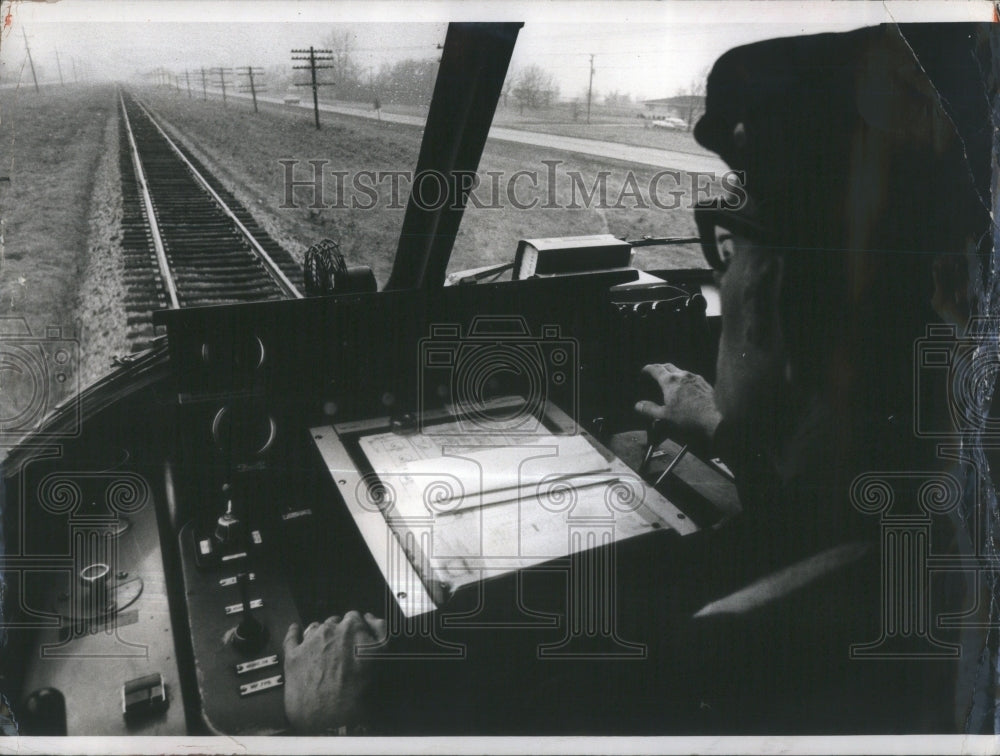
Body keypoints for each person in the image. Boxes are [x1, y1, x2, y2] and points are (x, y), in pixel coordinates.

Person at [283, 22, 995, 734]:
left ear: (768, 302)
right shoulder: (922, 530)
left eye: (728, 250)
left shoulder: (704, 663)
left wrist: (332, 723)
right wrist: (730, 427)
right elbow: (815, 525)